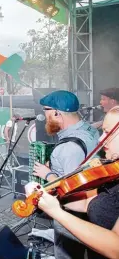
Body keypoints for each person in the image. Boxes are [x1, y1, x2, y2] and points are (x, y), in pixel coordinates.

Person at [26, 107, 119, 259]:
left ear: (58, 113)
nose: (101, 140)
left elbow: (116, 248)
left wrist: (57, 211)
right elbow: (89, 202)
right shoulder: (113, 170)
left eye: (108, 132)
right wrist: (48, 198)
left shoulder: (68, 147)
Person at [33, 90, 99, 259]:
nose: (44, 116)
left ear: (57, 113)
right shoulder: (89, 129)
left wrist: (47, 174)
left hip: (73, 214)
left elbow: (72, 190)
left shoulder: (68, 148)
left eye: (46, 112)